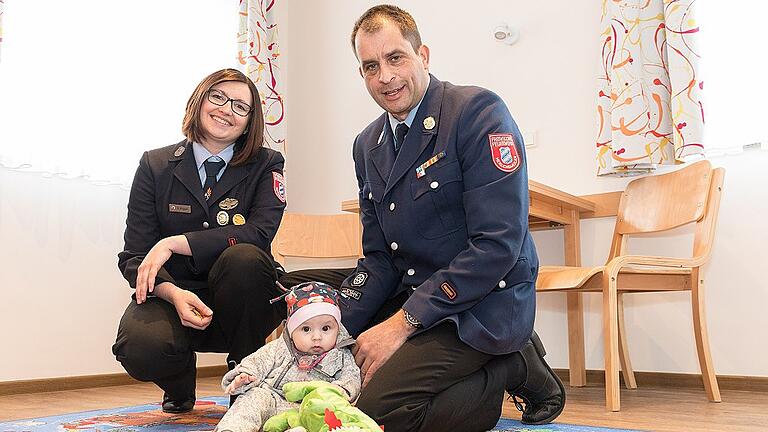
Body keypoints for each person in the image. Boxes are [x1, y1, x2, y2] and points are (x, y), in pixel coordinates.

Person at [283, 5, 566, 431]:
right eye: (370, 66)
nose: (385, 76)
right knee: (339, 378)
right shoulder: (367, 145)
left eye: (396, 58)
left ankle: (510, 365)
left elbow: (498, 244)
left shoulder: (477, 113)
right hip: (421, 296)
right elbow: (381, 258)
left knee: (379, 415)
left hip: (484, 301)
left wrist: (401, 325)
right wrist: (328, 329)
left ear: (424, 55)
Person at [112, 68, 289, 414]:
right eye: (218, 97)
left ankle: (245, 378)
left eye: (241, 106)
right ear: (200, 100)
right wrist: (173, 293)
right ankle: (178, 378)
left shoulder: (267, 163)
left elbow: (259, 232)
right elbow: (134, 255)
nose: (227, 110)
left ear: (250, 120)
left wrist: (175, 242)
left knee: (245, 258)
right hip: (173, 296)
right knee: (139, 347)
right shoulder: (156, 164)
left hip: (244, 300)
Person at [215, 282, 361, 432]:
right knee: (253, 397)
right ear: (291, 331)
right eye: (306, 329)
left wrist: (337, 391)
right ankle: (232, 429)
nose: (317, 337)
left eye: (326, 328)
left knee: (328, 420)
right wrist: (246, 375)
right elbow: (257, 361)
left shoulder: (341, 354)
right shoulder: (279, 348)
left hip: (312, 409)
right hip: (274, 400)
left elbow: (352, 378)